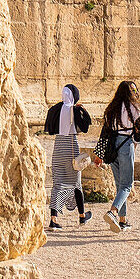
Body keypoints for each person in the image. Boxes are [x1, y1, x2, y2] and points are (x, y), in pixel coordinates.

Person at [95, 80, 140, 233]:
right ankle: (113, 211)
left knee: (119, 184)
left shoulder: (112, 109)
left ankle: (122, 220)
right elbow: (138, 135)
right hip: (126, 144)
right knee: (127, 184)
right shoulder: (134, 108)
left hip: (112, 146)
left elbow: (104, 132)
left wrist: (99, 154)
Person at [44, 84, 93, 230]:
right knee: (76, 183)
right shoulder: (75, 109)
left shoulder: (55, 109)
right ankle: (82, 216)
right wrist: (83, 110)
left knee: (58, 183)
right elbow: (85, 127)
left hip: (58, 147)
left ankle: (53, 219)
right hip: (71, 145)